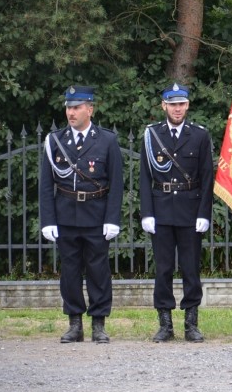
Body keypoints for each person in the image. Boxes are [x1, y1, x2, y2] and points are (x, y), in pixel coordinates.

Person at [39, 85, 124, 344]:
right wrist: (48, 221)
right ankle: (74, 323)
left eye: (76, 107)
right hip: (66, 215)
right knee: (70, 272)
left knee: (98, 271)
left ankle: (99, 324)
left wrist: (112, 219)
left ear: (90, 109)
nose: (71, 112)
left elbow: (116, 184)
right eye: (68, 107)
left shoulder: (107, 140)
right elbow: (46, 184)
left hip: (96, 215)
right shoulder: (55, 141)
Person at [139, 83, 215, 343]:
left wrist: (204, 213)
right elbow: (144, 177)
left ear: (187, 105)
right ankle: (165, 324)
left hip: (190, 209)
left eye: (181, 104)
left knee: (191, 269)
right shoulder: (152, 135)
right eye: (172, 104)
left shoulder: (200, 136)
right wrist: (147, 212)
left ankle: (191, 324)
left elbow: (207, 177)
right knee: (163, 269)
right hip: (160, 209)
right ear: (164, 106)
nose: (177, 109)